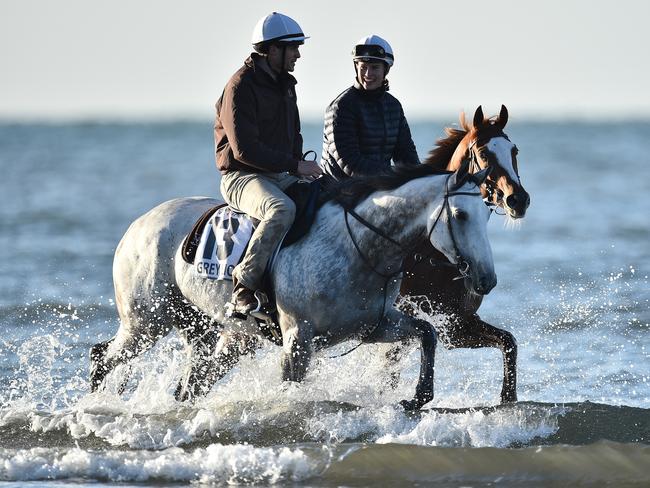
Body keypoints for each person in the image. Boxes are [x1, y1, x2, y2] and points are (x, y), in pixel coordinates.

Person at [215, 12, 322, 317]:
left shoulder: (285, 84)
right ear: (273, 49)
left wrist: (299, 165)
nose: (298, 54)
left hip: (279, 174)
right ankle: (243, 287)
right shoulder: (240, 86)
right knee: (281, 209)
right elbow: (245, 150)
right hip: (241, 176)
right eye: (293, 48)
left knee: (328, 197)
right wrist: (295, 166)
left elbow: (294, 134)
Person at [321, 35, 420, 179]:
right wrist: (392, 174)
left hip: (379, 185)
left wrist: (424, 176)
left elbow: (406, 156)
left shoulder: (394, 106)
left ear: (386, 70)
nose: (368, 74)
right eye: (363, 67)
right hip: (338, 190)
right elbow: (349, 163)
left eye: (374, 68)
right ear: (356, 67)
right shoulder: (341, 106)